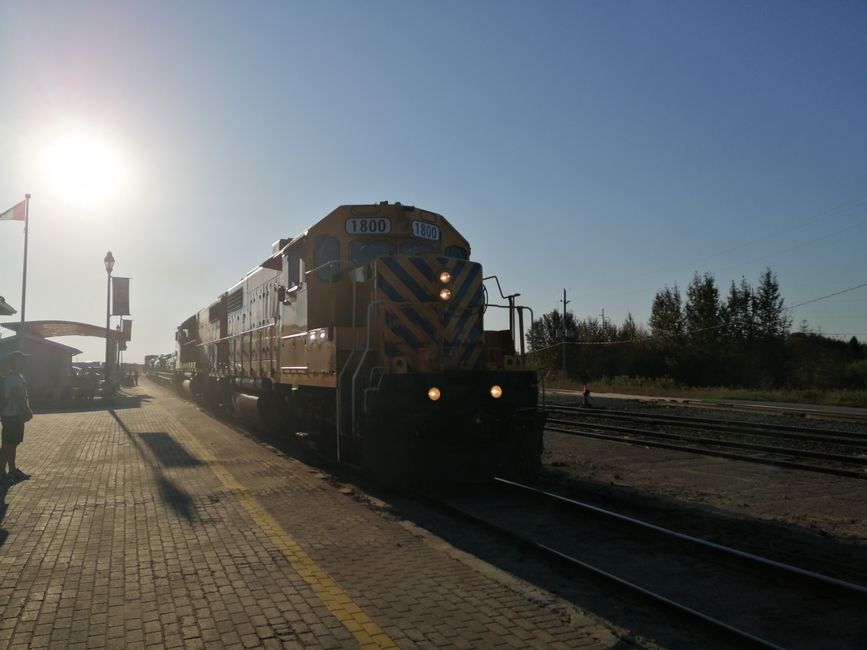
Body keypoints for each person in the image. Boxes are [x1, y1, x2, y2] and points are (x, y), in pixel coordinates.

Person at [1, 351, 33, 484]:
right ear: (14, 361)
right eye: (21, 359)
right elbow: (17, 396)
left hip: (15, 416)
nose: (24, 362)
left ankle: (12, 470)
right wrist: (27, 411)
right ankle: (2, 474)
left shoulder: (17, 376)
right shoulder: (13, 378)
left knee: (13, 444)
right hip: (12, 416)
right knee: (8, 446)